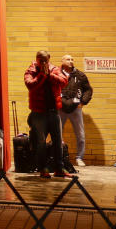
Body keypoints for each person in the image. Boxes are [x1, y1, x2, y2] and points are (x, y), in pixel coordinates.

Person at [23, 50, 74, 179]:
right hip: (38, 113)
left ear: (49, 59)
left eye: (45, 60)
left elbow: (64, 82)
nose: (43, 62)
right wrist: (42, 75)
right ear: (36, 59)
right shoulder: (31, 70)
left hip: (53, 111)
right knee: (40, 142)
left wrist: (50, 76)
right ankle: (43, 168)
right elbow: (30, 85)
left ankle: (59, 168)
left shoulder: (54, 69)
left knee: (57, 141)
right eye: (40, 60)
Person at [58, 54, 92, 167]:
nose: (71, 61)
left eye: (72, 59)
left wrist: (83, 102)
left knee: (80, 134)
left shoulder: (80, 75)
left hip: (76, 108)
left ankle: (79, 158)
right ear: (62, 61)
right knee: (57, 133)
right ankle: (58, 157)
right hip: (60, 108)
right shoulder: (56, 73)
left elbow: (88, 90)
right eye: (68, 59)